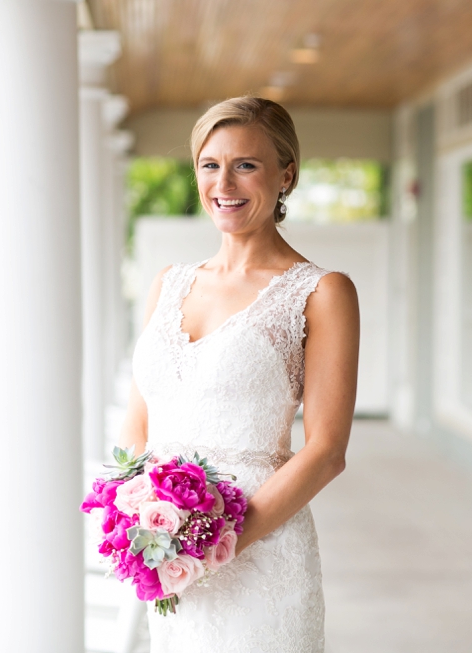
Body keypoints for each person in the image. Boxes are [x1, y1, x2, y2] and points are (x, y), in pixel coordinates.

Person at [118, 96, 360, 652]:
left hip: (262, 555)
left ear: (286, 176)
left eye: (245, 165)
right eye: (209, 164)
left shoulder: (322, 292)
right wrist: (141, 524)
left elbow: (326, 451)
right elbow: (139, 424)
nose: (223, 182)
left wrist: (212, 545)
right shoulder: (168, 282)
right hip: (168, 557)